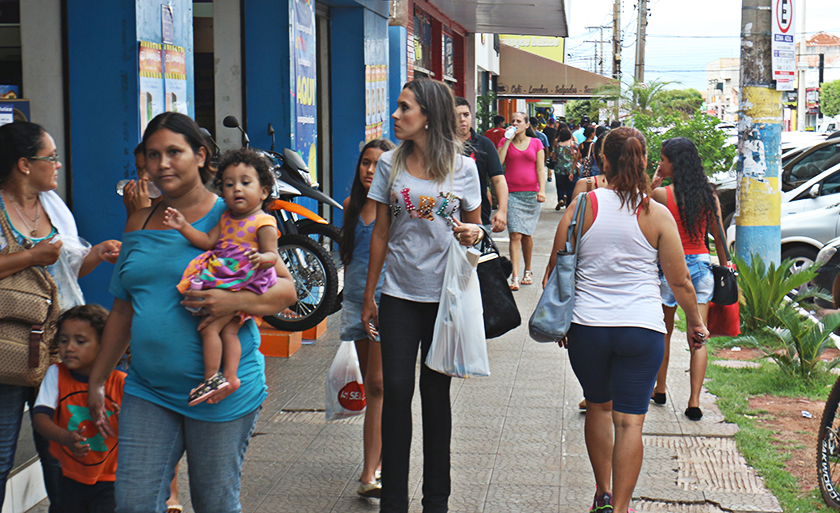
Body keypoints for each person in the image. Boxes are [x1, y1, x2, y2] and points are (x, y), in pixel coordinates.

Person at [87, 112, 296, 513]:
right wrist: (98, 378)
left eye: (173, 152)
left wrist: (236, 302)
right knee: (132, 503)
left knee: (213, 503)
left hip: (218, 393)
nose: (162, 163)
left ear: (200, 155)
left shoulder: (233, 211)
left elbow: (286, 291)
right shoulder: (139, 220)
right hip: (148, 388)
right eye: (152, 154)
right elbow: (122, 310)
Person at [544, 127, 709, 513]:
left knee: (599, 407)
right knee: (630, 423)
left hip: (587, 328)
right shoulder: (657, 214)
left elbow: (556, 265)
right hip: (642, 329)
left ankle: (601, 493)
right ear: (644, 161)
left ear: (603, 161)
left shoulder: (581, 206)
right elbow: (680, 280)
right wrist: (695, 322)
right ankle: (621, 508)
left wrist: (560, 318)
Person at [361, 79, 483, 513]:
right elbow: (380, 231)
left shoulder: (463, 167)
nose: (395, 115)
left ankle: (437, 501)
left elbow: (476, 230)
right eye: (397, 107)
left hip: (446, 297)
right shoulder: (390, 164)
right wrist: (370, 293)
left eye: (404, 107)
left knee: (435, 396)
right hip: (398, 293)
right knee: (395, 390)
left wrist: (475, 231)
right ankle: (393, 501)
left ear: (427, 115)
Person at [0, 121, 121, 513]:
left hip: (60, 346)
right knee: (2, 453)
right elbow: (39, 262)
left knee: (59, 452)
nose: (57, 165)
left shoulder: (54, 207)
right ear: (23, 164)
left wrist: (97, 253)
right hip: (9, 347)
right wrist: (32, 256)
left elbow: (66, 274)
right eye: (50, 157)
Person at [162, 148, 280, 407]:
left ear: (263, 191)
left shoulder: (264, 222)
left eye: (245, 183)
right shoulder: (226, 218)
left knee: (210, 329)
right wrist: (183, 226)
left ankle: (211, 377)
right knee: (228, 332)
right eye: (229, 184)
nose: (237, 189)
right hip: (224, 277)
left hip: (242, 282)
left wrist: (263, 259)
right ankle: (231, 377)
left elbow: (273, 255)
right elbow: (207, 241)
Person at [650, 137, 729, 421]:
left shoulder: (662, 196)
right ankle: (694, 401)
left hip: (670, 268)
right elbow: (719, 237)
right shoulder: (708, 195)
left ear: (674, 163)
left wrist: (652, 185)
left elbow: (638, 214)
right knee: (699, 335)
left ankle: (660, 389)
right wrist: (727, 267)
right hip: (701, 267)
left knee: (664, 332)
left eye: (662, 159)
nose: (660, 164)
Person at [338, 137, 395, 498]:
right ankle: (379, 463)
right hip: (356, 303)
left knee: (377, 385)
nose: (370, 170)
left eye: (378, 164)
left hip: (386, 303)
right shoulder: (350, 206)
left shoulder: (394, 208)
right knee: (375, 386)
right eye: (365, 163)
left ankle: (369, 471)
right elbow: (349, 257)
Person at [32, 304, 126, 513]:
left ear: (105, 345)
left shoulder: (121, 382)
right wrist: (65, 437)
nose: (69, 347)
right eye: (64, 340)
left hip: (111, 478)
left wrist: (127, 419)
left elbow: (141, 432)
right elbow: (40, 417)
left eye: (80, 341)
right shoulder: (56, 374)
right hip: (68, 475)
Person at [498, 112, 546, 291]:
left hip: (531, 195)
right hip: (511, 194)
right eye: (512, 121)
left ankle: (528, 270)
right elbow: (499, 162)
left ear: (527, 125)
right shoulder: (505, 142)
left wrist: (541, 190)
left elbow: (541, 169)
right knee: (515, 234)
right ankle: (515, 277)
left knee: (526, 234)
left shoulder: (536, 143)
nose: (515, 124)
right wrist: (508, 140)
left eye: (519, 121)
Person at [455, 97, 508, 232]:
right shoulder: (441, 145)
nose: (462, 119)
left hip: (478, 220)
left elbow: (498, 179)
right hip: (445, 220)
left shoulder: (484, 144)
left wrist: (502, 210)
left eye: (466, 115)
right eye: (457, 115)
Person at [122, 144, 162, 219]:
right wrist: (131, 210)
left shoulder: (174, 205)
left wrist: (142, 212)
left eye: (149, 168)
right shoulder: (141, 201)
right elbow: (133, 230)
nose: (143, 177)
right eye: (139, 168)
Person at [553, 125, 577, 210]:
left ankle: (561, 199)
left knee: (560, 186)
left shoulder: (557, 146)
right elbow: (577, 157)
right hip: (571, 170)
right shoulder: (574, 145)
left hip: (559, 169)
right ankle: (569, 205)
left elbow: (554, 158)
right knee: (570, 188)